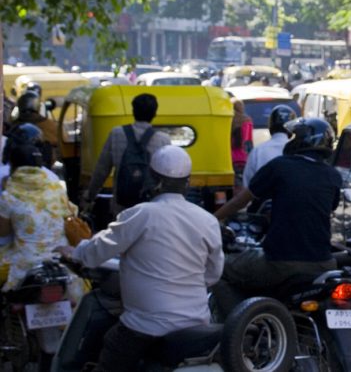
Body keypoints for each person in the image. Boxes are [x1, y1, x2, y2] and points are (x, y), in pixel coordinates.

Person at [55, 145, 224, 372]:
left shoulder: (140, 214)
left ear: (152, 180)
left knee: (111, 349)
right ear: (187, 182)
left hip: (144, 327)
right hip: (195, 324)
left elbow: (97, 251)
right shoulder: (208, 221)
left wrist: (74, 251)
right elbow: (213, 274)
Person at [211, 117, 342, 317]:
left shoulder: (280, 166)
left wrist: (212, 219)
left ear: (300, 141)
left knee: (218, 270)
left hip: (281, 262)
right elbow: (323, 207)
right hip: (324, 262)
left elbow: (240, 201)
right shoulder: (333, 175)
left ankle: (241, 328)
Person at [0, 126, 79, 297]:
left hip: (25, 262)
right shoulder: (55, 186)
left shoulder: (9, 195)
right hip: (59, 257)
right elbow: (69, 214)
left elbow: (3, 232)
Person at [83, 93, 171, 215]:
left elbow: (102, 169)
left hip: (121, 206)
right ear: (154, 113)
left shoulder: (116, 133)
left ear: (133, 111)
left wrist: (90, 196)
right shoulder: (163, 140)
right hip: (150, 207)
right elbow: (168, 176)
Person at [241, 104, 298, 190]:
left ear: (271, 125)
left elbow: (247, 184)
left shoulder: (258, 151)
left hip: (262, 199)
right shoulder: (298, 151)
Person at [230, 98, 253, 188]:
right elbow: (248, 142)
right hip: (243, 158)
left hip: (230, 159)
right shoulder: (247, 121)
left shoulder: (227, 120)